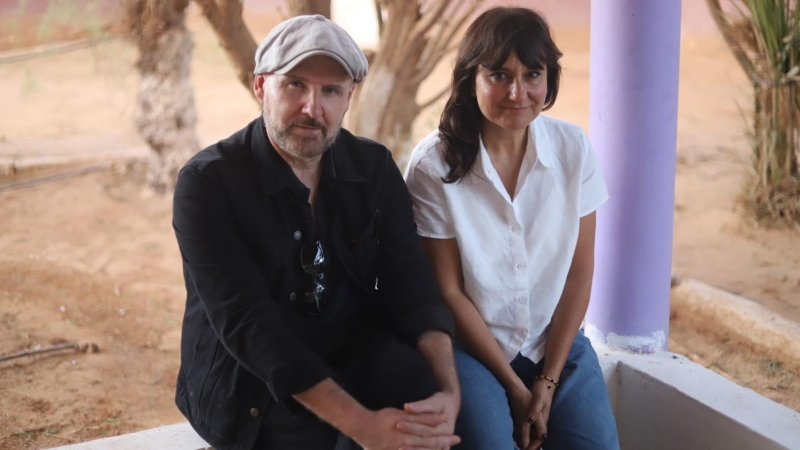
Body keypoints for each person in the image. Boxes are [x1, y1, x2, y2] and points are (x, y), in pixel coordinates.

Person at [172, 14, 461, 450]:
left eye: (330, 90)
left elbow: (411, 282)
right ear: (260, 86)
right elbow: (250, 327)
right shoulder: (208, 184)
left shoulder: (374, 168)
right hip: (250, 384)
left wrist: (449, 393)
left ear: (349, 98)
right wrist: (363, 427)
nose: (313, 107)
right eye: (295, 85)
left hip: (349, 351)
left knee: (423, 407)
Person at [404, 7, 620, 450]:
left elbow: (580, 275)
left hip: (554, 343)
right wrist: (516, 388)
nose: (517, 92)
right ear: (471, 80)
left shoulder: (573, 149)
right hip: (470, 349)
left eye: (532, 75)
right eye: (499, 75)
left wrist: (547, 380)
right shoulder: (433, 166)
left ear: (549, 80)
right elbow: (448, 293)